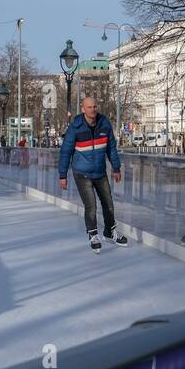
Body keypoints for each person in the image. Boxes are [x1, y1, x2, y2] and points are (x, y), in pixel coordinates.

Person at [59, 96, 129, 253]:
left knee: (108, 203)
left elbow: (111, 148)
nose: (93, 110)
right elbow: (65, 152)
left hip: (100, 172)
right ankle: (93, 235)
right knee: (91, 205)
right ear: (83, 109)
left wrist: (116, 168)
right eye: (89, 107)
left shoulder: (104, 124)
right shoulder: (75, 127)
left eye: (95, 106)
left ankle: (110, 232)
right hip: (81, 173)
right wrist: (62, 175)